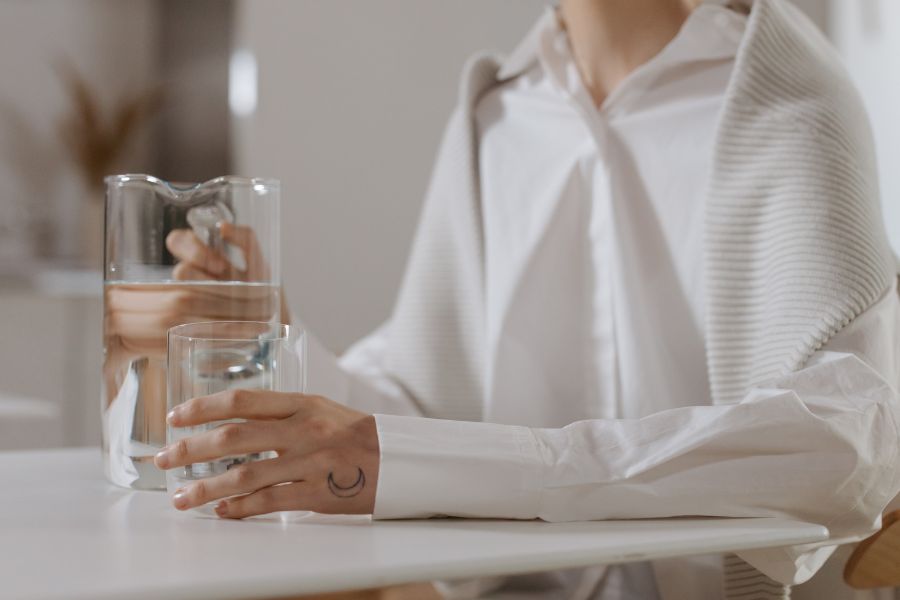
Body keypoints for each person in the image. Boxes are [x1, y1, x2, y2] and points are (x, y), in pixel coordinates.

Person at [142, 0, 900, 597]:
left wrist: (536, 468)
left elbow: (844, 440)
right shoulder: (495, 119)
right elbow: (427, 409)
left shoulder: (791, 101)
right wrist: (280, 339)